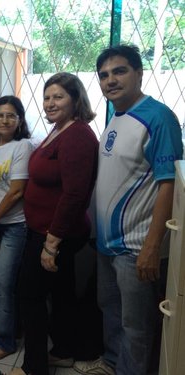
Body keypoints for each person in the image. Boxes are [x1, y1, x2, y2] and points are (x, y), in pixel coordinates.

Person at [74, 45, 183, 375]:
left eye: (119, 71)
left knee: (136, 325)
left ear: (139, 73)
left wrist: (151, 247)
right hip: (108, 245)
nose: (110, 80)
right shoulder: (116, 118)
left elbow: (168, 184)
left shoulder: (159, 117)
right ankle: (111, 364)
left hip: (136, 248)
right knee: (110, 310)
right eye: (104, 75)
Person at [11, 73, 99, 375]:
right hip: (47, 230)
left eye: (58, 96)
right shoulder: (59, 130)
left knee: (30, 296)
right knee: (60, 294)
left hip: (54, 234)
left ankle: (33, 367)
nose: (50, 103)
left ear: (75, 100)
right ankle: (63, 351)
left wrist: (51, 244)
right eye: (47, 97)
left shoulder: (77, 136)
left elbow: (75, 194)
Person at [0, 96, 33, 361]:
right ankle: (9, 329)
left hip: (15, 227)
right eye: (0, 115)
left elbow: (16, 192)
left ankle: (7, 341)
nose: (5, 120)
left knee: (4, 284)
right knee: (3, 282)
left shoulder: (22, 146)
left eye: (11, 115)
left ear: (19, 120)